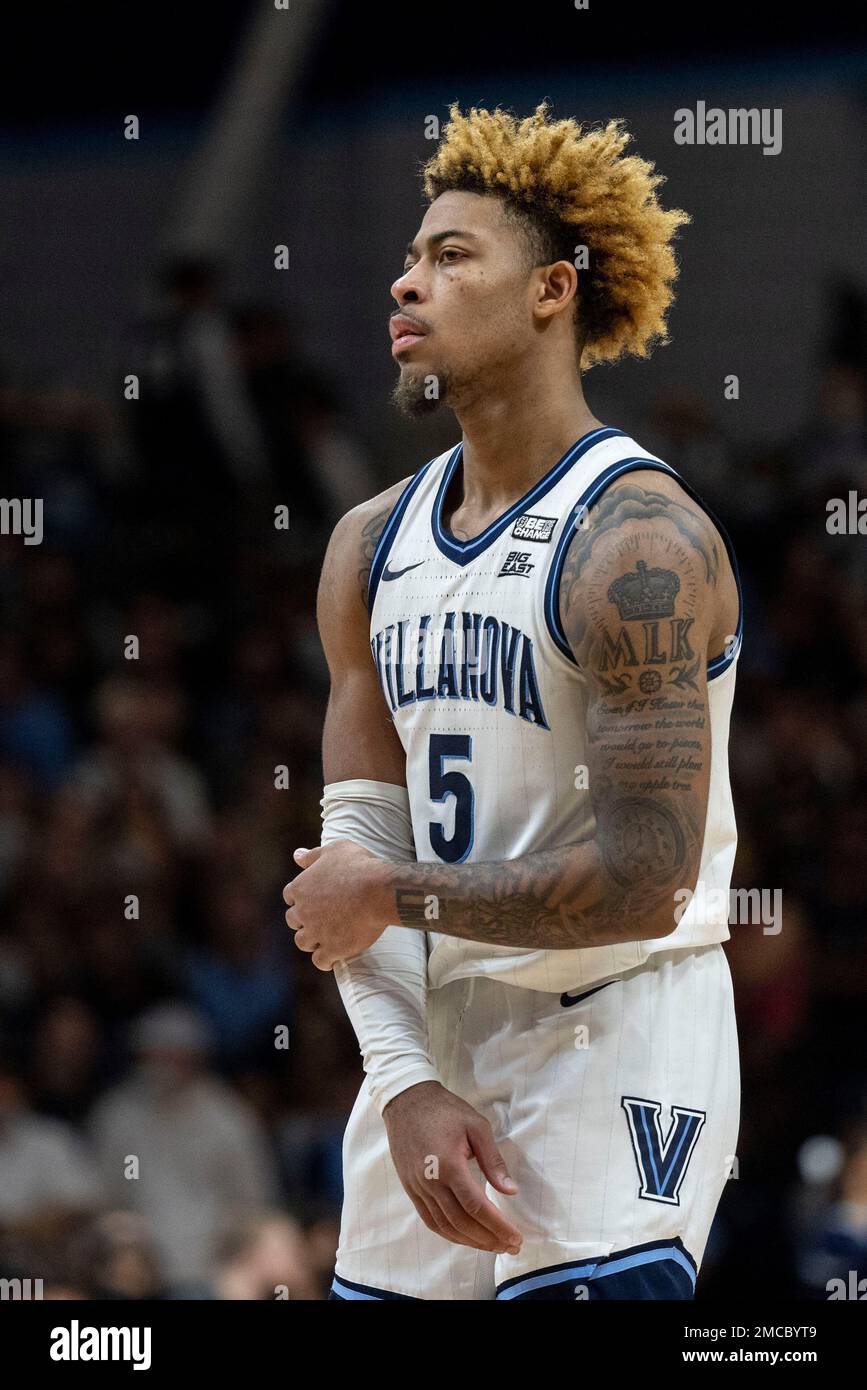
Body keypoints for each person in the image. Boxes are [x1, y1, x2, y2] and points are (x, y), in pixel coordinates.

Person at [283, 102, 742, 1301]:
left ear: (550, 291)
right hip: (438, 1036)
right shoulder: (367, 545)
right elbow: (354, 867)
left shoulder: (638, 540)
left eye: (450, 256)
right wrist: (406, 1083)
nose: (406, 281)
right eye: (409, 255)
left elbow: (649, 873)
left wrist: (391, 892)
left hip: (623, 1021)